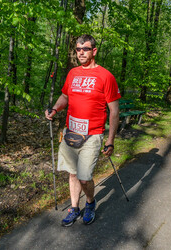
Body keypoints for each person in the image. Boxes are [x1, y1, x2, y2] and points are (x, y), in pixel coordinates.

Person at [45, 34, 121, 227]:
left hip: (92, 134)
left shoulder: (106, 76)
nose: (81, 53)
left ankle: (89, 203)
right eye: (78, 49)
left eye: (85, 49)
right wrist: (55, 109)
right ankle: (74, 208)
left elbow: (114, 111)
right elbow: (64, 96)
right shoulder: (72, 74)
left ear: (94, 51)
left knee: (84, 177)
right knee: (72, 173)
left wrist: (110, 140)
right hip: (71, 132)